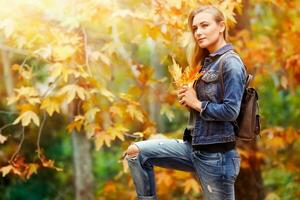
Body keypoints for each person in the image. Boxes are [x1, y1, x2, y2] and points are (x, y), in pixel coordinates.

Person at [125, 5, 247, 200]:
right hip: (194, 148)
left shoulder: (230, 63)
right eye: (195, 28)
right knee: (136, 152)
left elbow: (231, 111)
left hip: (217, 158)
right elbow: (205, 102)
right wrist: (190, 100)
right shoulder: (207, 62)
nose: (198, 32)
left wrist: (197, 103)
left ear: (221, 26)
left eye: (204, 25)